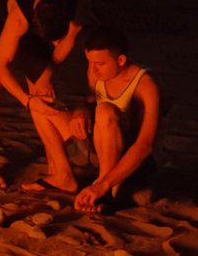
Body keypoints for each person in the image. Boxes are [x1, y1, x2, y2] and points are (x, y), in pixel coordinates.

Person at [21, 26, 160, 212]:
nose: (93, 69)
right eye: (90, 62)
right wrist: (82, 110)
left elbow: (145, 146)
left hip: (129, 163)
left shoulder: (146, 86)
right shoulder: (98, 71)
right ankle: (63, 175)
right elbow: (91, 98)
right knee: (41, 105)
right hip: (98, 145)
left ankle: (106, 189)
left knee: (104, 111)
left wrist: (101, 185)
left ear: (121, 60)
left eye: (100, 64)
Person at [0, 0, 90, 188]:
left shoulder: (76, 3)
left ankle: (58, 170)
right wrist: (27, 101)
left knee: (44, 92)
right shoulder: (18, 19)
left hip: (39, 27)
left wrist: (45, 77)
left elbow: (67, 42)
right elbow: (0, 67)